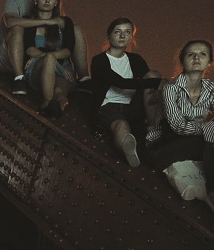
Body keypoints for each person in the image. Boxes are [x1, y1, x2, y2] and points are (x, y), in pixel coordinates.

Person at [88, 18, 164, 167]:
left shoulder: (136, 59)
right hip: (108, 106)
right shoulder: (99, 61)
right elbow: (121, 83)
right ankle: (129, 151)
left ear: (131, 37)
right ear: (109, 35)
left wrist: (158, 83)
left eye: (127, 32)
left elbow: (148, 85)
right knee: (121, 125)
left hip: (133, 106)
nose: (122, 36)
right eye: (118, 32)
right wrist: (161, 83)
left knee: (153, 75)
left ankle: (151, 128)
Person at [21, 0, 87, 118]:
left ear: (56, 2)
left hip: (63, 71)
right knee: (50, 59)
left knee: (58, 91)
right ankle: (46, 102)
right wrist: (52, 62)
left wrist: (56, 66)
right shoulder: (29, 21)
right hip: (37, 69)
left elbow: (68, 51)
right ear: (36, 0)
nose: (47, 1)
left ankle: (57, 109)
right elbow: (29, 50)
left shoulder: (65, 22)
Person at [159, 39, 214, 201]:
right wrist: (206, 128)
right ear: (182, 60)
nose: (196, 58)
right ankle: (212, 191)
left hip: (198, 144)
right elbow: (178, 126)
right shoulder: (171, 88)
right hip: (171, 144)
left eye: (202, 54)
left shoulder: (211, 89)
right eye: (191, 54)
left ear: (210, 62)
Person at [0, 0, 51, 92]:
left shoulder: (51, 5)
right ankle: (19, 79)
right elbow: (11, 22)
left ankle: (83, 79)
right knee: (18, 28)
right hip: (7, 58)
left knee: (75, 29)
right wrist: (46, 22)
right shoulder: (14, 1)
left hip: (33, 57)